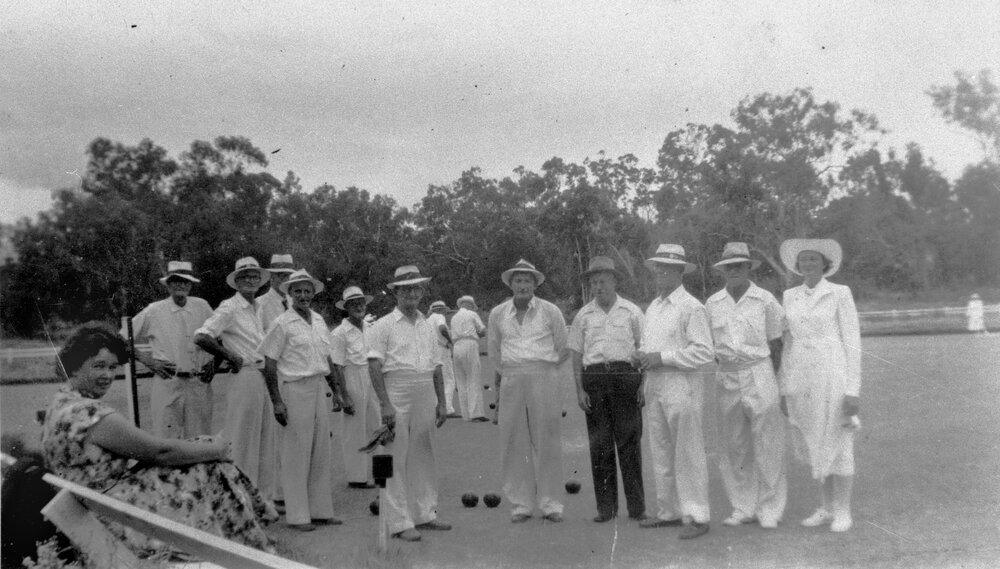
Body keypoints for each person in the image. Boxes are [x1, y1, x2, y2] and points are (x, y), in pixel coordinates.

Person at [41, 323, 277, 556]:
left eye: (112, 368)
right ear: (72, 368)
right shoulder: (89, 415)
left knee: (204, 453)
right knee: (212, 465)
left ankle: (249, 541)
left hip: (100, 505)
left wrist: (207, 446)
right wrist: (217, 449)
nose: (107, 375)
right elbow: (159, 452)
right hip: (118, 515)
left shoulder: (62, 404)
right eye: (99, 366)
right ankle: (251, 546)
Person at [778, 238, 861, 533]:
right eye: (803, 259)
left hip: (833, 375)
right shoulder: (789, 296)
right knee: (815, 441)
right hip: (802, 377)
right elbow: (788, 344)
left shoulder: (840, 293)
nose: (807, 264)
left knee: (839, 441)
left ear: (825, 264)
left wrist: (853, 390)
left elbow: (852, 342)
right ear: (797, 265)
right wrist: (786, 386)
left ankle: (842, 510)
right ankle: (825, 508)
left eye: (813, 259)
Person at [635, 244, 715, 539]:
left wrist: (663, 357)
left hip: (683, 386)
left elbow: (704, 352)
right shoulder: (654, 307)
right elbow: (648, 345)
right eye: (658, 268)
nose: (660, 273)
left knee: (688, 451)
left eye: (667, 268)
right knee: (660, 449)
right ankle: (668, 511)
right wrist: (641, 356)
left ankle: (697, 515)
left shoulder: (692, 307)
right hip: (655, 385)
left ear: (680, 272)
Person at [367, 265, 452, 542]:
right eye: (406, 289)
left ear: (422, 291)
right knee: (391, 456)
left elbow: (437, 365)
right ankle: (398, 522)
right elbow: (374, 365)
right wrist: (385, 404)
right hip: (396, 389)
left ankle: (425, 513)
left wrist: (441, 403)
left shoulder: (428, 325)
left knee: (423, 454)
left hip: (424, 389)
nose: (412, 293)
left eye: (416, 288)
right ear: (396, 292)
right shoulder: (382, 325)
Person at [705, 242, 787, 529]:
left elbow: (777, 343)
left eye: (740, 265)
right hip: (727, 375)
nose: (734, 271)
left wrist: (772, 380)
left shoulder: (765, 300)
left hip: (759, 371)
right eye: (729, 267)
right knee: (734, 446)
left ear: (748, 268)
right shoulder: (713, 304)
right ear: (723, 270)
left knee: (767, 442)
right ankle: (743, 506)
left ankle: (770, 509)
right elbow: (710, 345)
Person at [259, 270, 342, 531]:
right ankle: (298, 516)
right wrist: (277, 402)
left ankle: (320, 511)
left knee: (320, 451)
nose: (303, 295)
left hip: (317, 388)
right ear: (289, 294)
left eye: (307, 291)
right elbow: (269, 363)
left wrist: (336, 389)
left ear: (313, 293)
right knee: (296, 453)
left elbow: (326, 357)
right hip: (293, 390)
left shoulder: (318, 320)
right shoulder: (282, 323)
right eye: (298, 291)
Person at [487, 259, 568, 524]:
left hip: (544, 376)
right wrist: (513, 371)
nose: (523, 285)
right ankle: (521, 504)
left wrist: (544, 368)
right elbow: (494, 351)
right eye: (518, 281)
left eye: (527, 281)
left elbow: (563, 347)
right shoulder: (498, 313)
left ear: (535, 284)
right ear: (510, 284)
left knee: (547, 440)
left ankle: (551, 503)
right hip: (512, 377)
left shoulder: (550, 311)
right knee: (514, 441)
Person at [568, 256, 646, 523]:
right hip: (595, 379)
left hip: (626, 378)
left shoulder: (632, 311)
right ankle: (606, 509)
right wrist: (579, 390)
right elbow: (576, 354)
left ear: (614, 281)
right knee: (600, 446)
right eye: (593, 282)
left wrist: (643, 384)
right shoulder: (583, 315)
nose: (598, 287)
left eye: (603, 281)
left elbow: (643, 348)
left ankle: (636, 508)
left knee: (629, 443)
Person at [194, 257, 277, 499]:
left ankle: (262, 503)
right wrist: (230, 355)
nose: (250, 281)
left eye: (254, 277)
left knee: (264, 443)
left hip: (263, 376)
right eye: (245, 277)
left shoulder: (257, 308)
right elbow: (201, 336)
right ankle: (239, 501)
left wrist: (222, 357)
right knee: (242, 444)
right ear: (236, 282)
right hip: (246, 377)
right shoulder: (229, 307)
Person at [124, 260, 215, 439]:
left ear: (191, 285)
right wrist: (148, 360)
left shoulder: (202, 306)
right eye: (175, 280)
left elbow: (219, 337)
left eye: (185, 281)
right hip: (168, 382)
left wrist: (215, 362)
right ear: (168, 284)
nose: (180, 285)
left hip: (198, 384)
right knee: (166, 440)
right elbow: (121, 338)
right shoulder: (154, 310)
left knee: (200, 442)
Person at [330, 285, 381, 489]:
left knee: (379, 426)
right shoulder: (339, 333)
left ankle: (382, 475)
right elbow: (337, 366)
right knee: (354, 431)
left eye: (361, 303)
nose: (358, 306)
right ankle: (357, 477)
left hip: (372, 376)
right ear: (346, 307)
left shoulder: (371, 328)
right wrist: (344, 395)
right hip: (352, 377)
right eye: (353, 304)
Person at [450, 295, 489, 422]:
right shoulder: (472, 314)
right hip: (469, 343)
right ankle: (476, 413)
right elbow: (482, 331)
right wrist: (476, 334)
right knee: (473, 377)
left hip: (456, 346)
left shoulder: (454, 317)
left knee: (461, 380)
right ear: (470, 305)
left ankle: (466, 414)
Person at [427, 300, 460, 417]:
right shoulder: (439, 317)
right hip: (441, 349)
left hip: (430, 350)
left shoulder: (428, 319)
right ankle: (448, 408)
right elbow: (442, 328)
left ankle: (437, 406)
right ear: (441, 309)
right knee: (448, 379)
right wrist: (450, 341)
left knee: (436, 379)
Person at [257, 254, 296, 333]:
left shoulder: (295, 301)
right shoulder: (259, 304)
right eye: (282, 276)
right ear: (272, 276)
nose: (286, 280)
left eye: (289, 276)